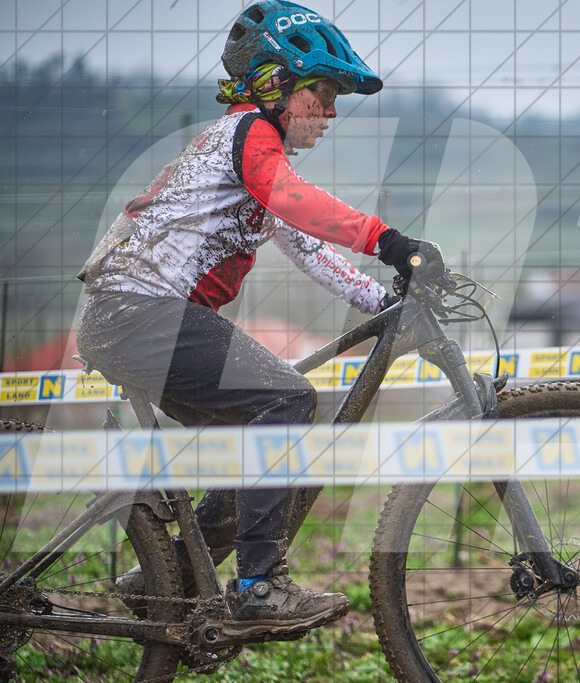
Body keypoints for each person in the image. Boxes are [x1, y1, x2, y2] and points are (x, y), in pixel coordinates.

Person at [76, 0, 443, 630]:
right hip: (141, 313)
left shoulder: (252, 156)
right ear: (275, 85)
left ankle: (166, 579)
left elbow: (311, 249)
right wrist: (388, 241)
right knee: (287, 401)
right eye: (321, 94)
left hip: (138, 319)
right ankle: (257, 588)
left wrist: (385, 304)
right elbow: (294, 201)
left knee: (268, 438)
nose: (330, 112)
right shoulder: (248, 135)